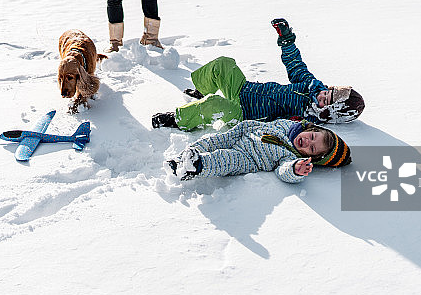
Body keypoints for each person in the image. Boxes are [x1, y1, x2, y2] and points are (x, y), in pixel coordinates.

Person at [152, 18, 365, 130]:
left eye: (325, 101)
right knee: (224, 64)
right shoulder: (312, 86)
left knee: (215, 105)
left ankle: (178, 120)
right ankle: (201, 91)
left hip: (243, 114)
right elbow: (295, 66)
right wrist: (287, 40)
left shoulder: (305, 121)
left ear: (331, 113)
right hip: (245, 90)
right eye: (326, 92)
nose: (321, 95)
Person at [166, 118, 351, 183]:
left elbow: (283, 170)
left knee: (225, 159)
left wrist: (295, 169)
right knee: (211, 141)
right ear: (310, 129)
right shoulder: (289, 125)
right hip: (242, 133)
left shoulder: (290, 156)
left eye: (311, 149)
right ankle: (181, 161)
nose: (306, 142)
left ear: (310, 157)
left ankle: (198, 165)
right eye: (311, 137)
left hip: (249, 158)